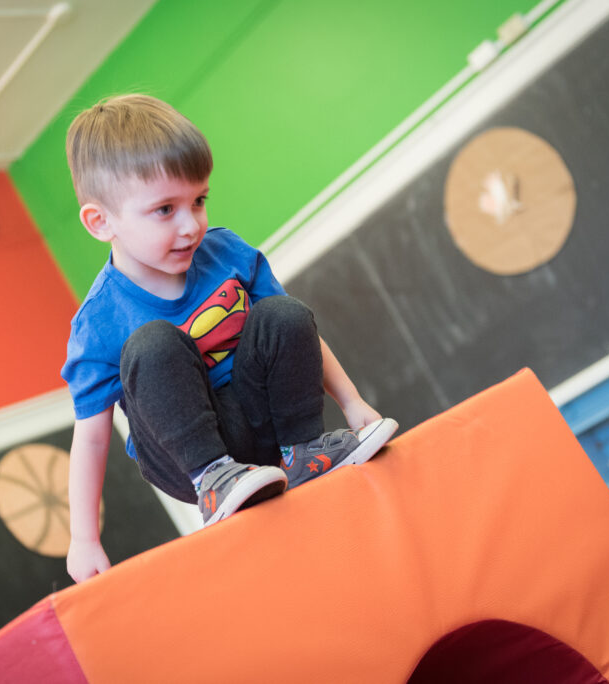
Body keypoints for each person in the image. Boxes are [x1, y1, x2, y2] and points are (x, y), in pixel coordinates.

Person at [62, 94, 398, 583]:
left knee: (282, 312)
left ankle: (303, 451)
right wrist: (83, 538)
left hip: (264, 418)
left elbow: (300, 332)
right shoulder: (99, 321)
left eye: (199, 200)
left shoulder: (225, 252)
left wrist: (353, 404)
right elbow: (90, 439)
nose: (190, 225)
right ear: (101, 222)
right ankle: (214, 479)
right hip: (185, 450)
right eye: (164, 209)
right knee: (153, 342)